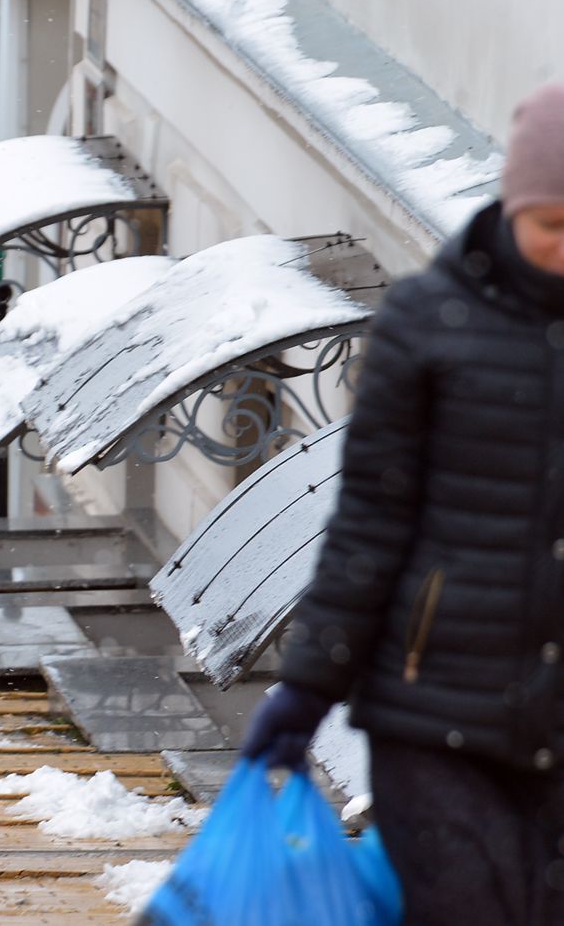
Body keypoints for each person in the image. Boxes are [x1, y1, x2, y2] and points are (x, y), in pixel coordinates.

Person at [243, 83, 564, 924]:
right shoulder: (428, 324)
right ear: (512, 204)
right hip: (434, 711)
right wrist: (304, 688)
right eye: (552, 225)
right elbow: (369, 523)